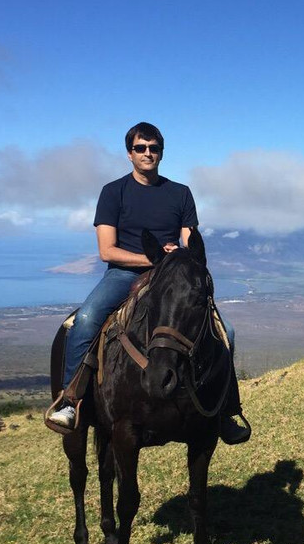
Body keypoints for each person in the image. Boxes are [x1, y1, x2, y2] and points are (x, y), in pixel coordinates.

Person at [47, 121, 249, 444]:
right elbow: (106, 250)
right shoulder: (113, 193)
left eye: (153, 148)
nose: (147, 153)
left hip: (170, 278)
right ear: (129, 154)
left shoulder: (180, 194)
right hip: (123, 275)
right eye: (141, 148)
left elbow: (189, 240)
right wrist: (153, 259)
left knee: (227, 331)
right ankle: (71, 401)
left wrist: (179, 255)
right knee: (85, 320)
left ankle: (226, 409)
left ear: (161, 153)